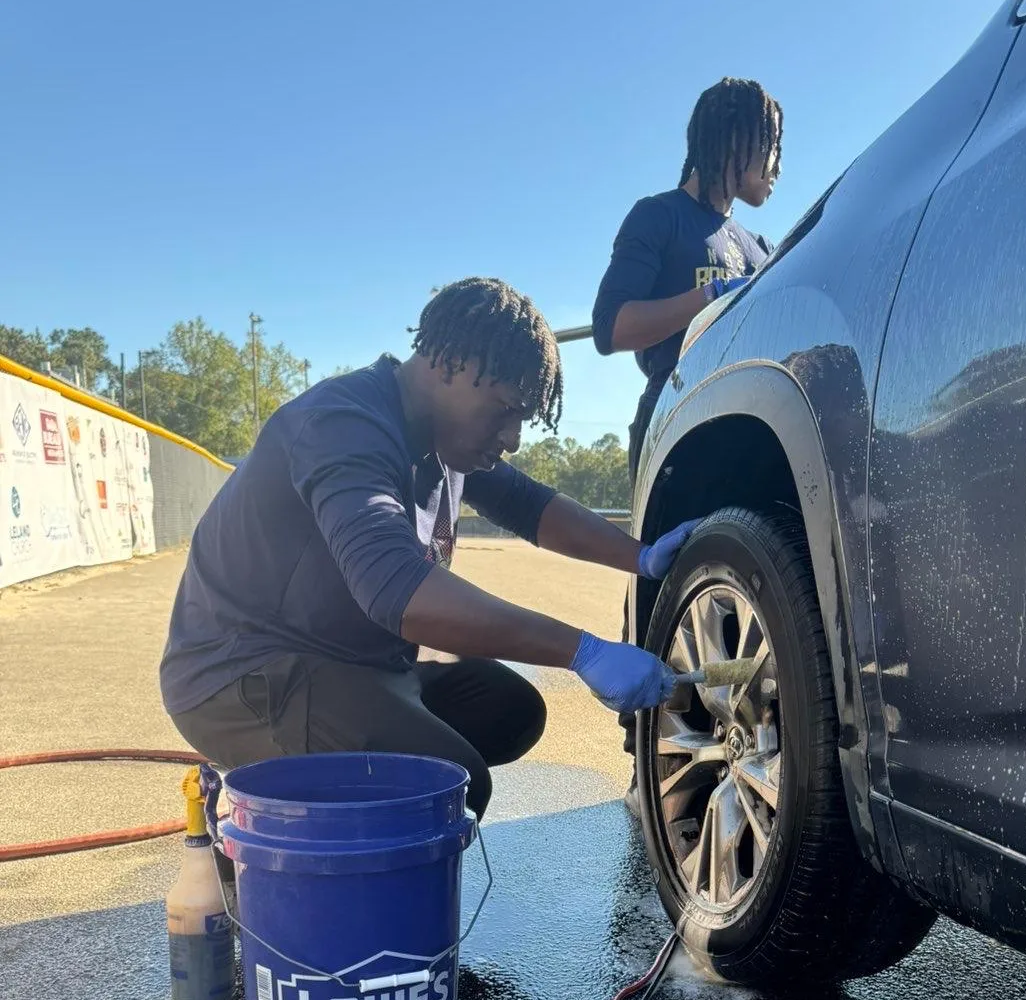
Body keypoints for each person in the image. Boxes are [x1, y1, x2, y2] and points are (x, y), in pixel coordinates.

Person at [160, 278, 699, 819]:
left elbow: (529, 505)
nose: (513, 437)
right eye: (506, 409)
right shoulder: (343, 426)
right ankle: (287, 824)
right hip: (245, 675)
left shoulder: (441, 435)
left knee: (510, 713)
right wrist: (582, 651)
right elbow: (394, 589)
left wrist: (640, 556)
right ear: (451, 365)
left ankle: (342, 778)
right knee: (448, 790)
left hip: (349, 659)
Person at [590, 77, 783, 795]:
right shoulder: (660, 218)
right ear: (732, 140)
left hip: (746, 432)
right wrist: (705, 296)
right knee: (663, 584)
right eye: (769, 146)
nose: (776, 165)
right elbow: (612, 327)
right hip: (674, 424)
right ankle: (646, 754)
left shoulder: (758, 246)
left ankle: (738, 737)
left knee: (736, 590)